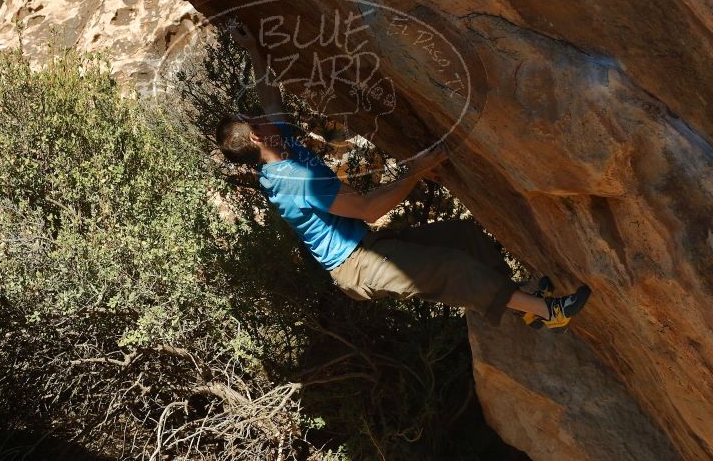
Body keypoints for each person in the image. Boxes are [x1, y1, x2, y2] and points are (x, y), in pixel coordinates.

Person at [215, 20, 590, 330]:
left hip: (368, 246)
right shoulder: (294, 180)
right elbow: (368, 208)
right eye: (255, 120)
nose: (261, 115)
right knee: (451, 268)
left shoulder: (281, 145)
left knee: (463, 237)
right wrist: (416, 171)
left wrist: (253, 50)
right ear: (256, 136)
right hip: (357, 266)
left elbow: (270, 98)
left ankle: (522, 303)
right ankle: (551, 313)